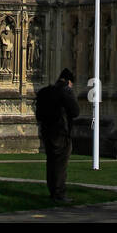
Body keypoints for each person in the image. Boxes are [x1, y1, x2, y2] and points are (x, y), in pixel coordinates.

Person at [35, 68, 79, 202]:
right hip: (60, 132)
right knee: (60, 164)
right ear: (69, 81)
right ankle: (59, 193)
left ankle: (53, 190)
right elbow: (75, 111)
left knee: (51, 162)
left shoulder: (47, 91)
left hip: (46, 131)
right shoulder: (65, 91)